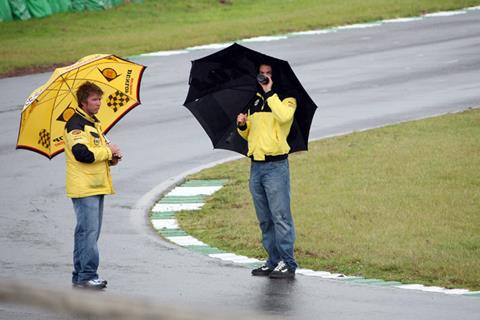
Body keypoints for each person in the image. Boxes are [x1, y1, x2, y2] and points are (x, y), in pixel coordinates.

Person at [237, 63, 298, 279]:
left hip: (276, 167)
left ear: (275, 77)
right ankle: (272, 260)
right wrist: (242, 125)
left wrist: (269, 92)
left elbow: (284, 117)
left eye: (268, 74)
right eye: (261, 74)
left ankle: (288, 263)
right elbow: (249, 135)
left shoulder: (287, 99)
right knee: (265, 219)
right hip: (256, 166)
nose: (264, 77)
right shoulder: (253, 101)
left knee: (280, 216)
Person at [63, 81, 122, 289]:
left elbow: (96, 152)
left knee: (85, 233)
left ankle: (80, 276)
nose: (99, 103)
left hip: (95, 186)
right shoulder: (75, 125)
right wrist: (107, 151)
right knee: (89, 233)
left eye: (100, 99)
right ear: (83, 102)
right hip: (84, 187)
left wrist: (112, 157)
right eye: (94, 100)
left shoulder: (92, 123)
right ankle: (88, 275)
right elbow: (83, 154)